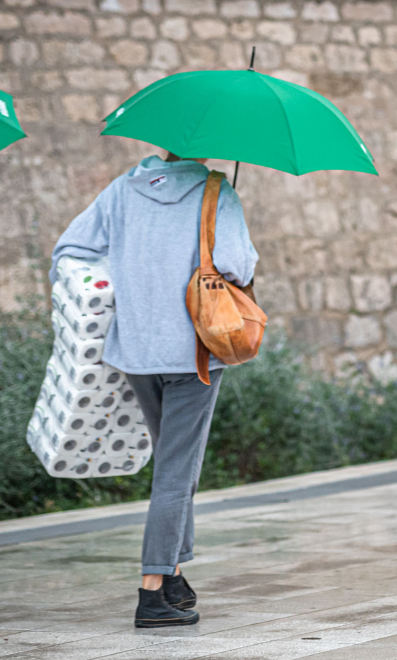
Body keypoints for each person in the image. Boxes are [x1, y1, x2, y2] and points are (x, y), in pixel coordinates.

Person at [51, 152, 257, 628]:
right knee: (175, 473)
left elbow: (70, 251)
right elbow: (236, 267)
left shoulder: (122, 189)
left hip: (137, 351)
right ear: (203, 146)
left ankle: (175, 575)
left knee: (172, 464)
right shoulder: (215, 191)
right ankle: (151, 592)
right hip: (195, 352)